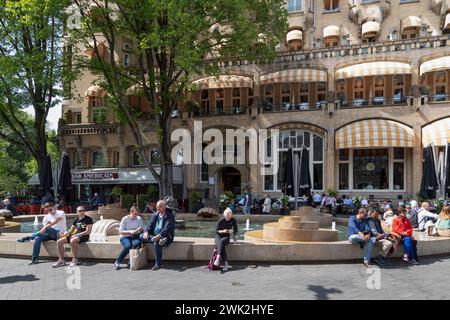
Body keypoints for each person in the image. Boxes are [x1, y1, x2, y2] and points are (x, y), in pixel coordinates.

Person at [140, 200, 175, 270]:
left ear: (164, 207)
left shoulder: (170, 215)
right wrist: (146, 232)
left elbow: (167, 228)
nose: (158, 208)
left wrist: (159, 235)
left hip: (166, 236)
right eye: (157, 206)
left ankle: (158, 264)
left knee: (157, 243)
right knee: (141, 236)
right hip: (155, 235)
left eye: (160, 207)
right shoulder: (155, 214)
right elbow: (149, 225)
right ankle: (158, 239)